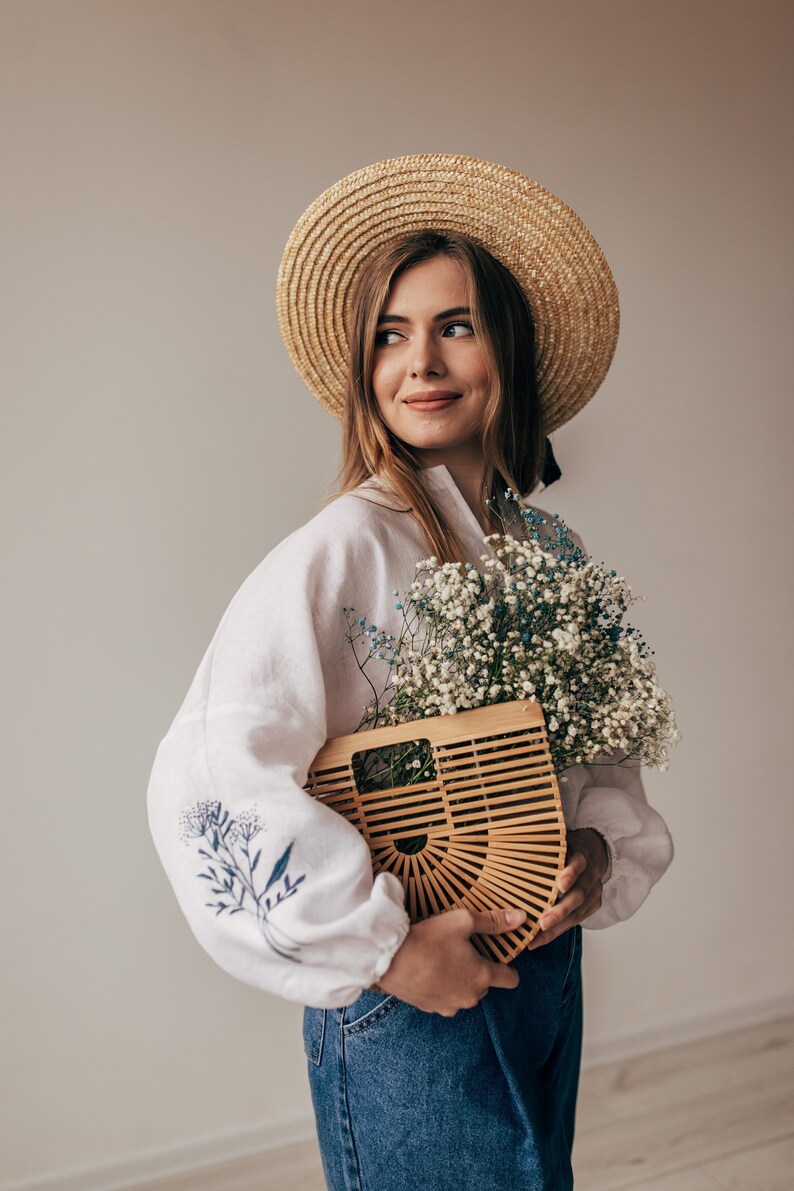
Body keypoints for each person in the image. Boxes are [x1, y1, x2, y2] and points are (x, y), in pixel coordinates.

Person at [147, 154, 674, 1190]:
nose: (418, 361)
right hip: (409, 999)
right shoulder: (339, 549)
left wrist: (594, 854)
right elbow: (206, 777)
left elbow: (598, 760)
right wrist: (380, 953)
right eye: (389, 334)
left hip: (542, 976)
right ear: (362, 366)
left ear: (507, 351)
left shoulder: (549, 549)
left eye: (455, 325)